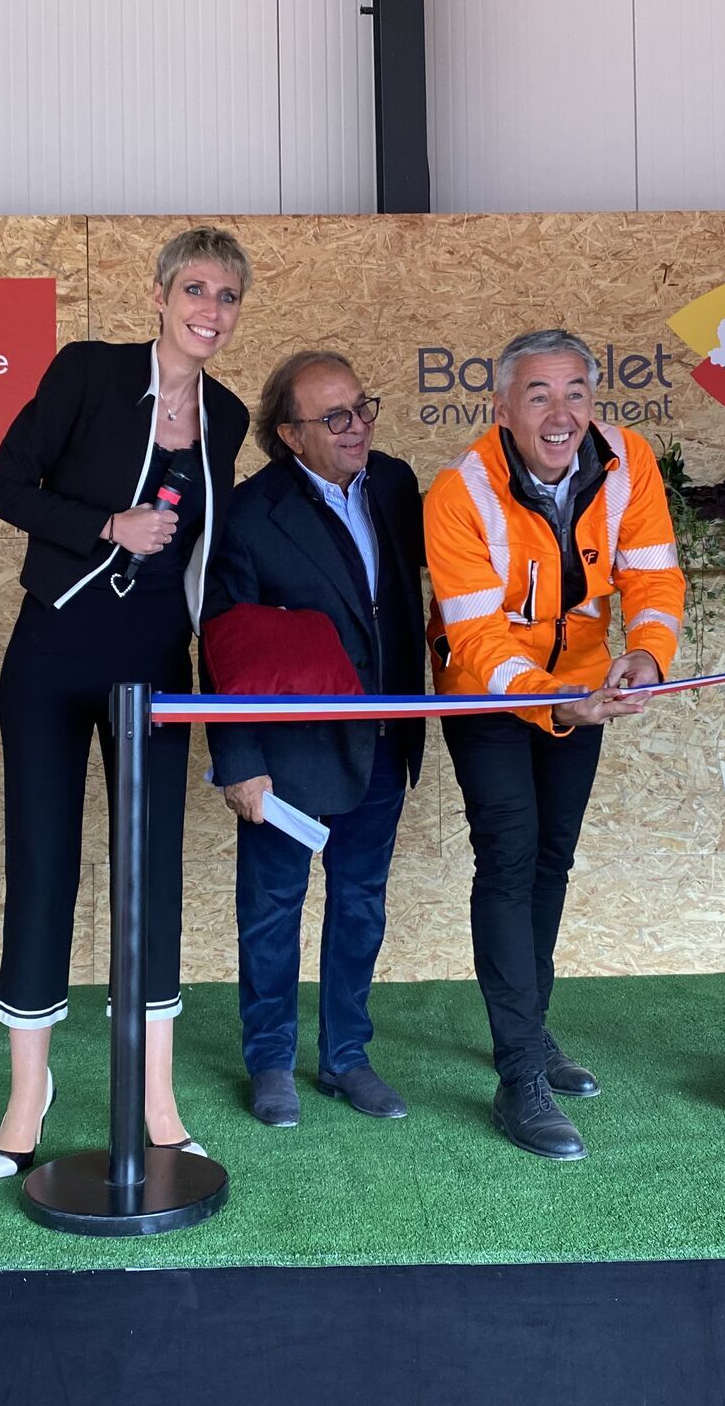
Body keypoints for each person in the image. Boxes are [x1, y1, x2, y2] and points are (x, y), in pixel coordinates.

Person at [0, 227, 252, 1179]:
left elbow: (206, 558)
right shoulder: (88, 371)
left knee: (152, 874)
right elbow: (2, 487)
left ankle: (160, 1098)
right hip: (53, 647)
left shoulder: (228, 415)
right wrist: (105, 524)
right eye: (197, 290)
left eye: (227, 298)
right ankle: (27, 1096)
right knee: (44, 865)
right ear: (161, 293)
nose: (210, 311)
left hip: (154, 664)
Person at [424, 329, 686, 1161]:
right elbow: (477, 644)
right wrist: (563, 707)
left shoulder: (629, 460)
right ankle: (517, 1077)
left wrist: (646, 654)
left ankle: (530, 1033)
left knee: (551, 860)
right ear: (502, 408)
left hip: (586, 692)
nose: (561, 412)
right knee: (509, 855)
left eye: (575, 392)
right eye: (539, 395)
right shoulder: (458, 492)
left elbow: (653, 578)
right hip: (490, 696)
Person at [207, 351, 428, 1129]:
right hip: (288, 755)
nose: (358, 426)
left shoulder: (396, 486)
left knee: (361, 907)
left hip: (380, 740)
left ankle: (345, 1060)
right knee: (272, 910)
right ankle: (270, 1062)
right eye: (336, 417)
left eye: (363, 407)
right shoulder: (248, 511)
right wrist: (239, 762)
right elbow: (223, 640)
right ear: (290, 434)